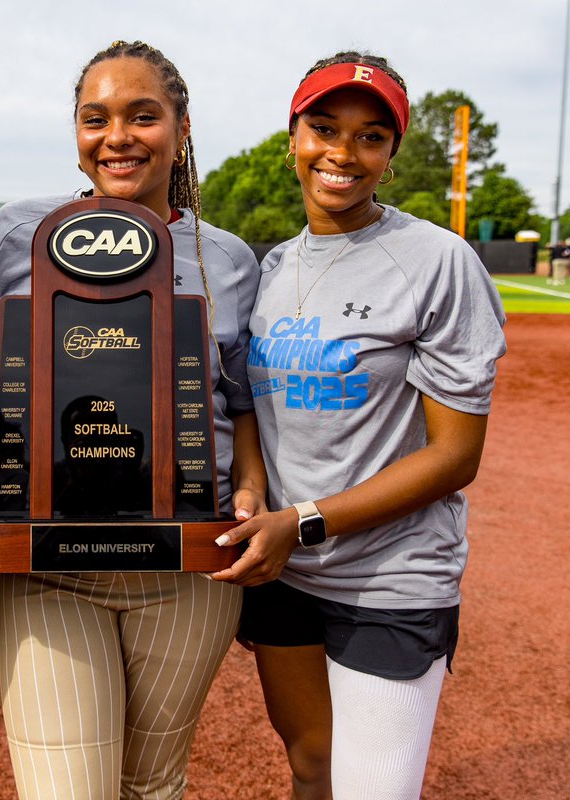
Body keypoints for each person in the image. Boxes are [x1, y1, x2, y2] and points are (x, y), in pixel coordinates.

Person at [0, 40, 266, 799]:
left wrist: (251, 488)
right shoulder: (16, 233)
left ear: (182, 128)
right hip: (50, 562)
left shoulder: (229, 258)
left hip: (189, 564)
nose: (118, 137)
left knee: (153, 784)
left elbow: (240, 402)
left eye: (143, 116)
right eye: (95, 118)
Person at [212, 51, 507, 800]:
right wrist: (256, 493)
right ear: (293, 138)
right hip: (286, 571)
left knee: (372, 789)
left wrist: (302, 522)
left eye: (371, 136)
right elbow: (251, 411)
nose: (343, 153)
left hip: (391, 575)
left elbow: (455, 456)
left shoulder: (437, 260)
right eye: (324, 128)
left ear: (391, 155)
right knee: (311, 766)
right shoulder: (270, 268)